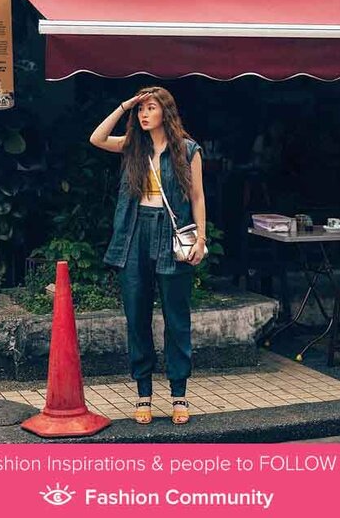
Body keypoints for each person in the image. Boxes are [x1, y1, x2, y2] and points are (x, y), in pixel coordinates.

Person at [89, 86, 207, 425]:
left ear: (165, 112)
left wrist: (201, 237)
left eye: (150, 108)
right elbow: (96, 138)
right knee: (137, 316)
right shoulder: (133, 147)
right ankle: (143, 393)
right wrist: (125, 103)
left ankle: (179, 395)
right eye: (140, 110)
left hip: (172, 234)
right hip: (134, 233)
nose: (143, 114)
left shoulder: (188, 150)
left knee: (176, 317)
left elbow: (197, 197)